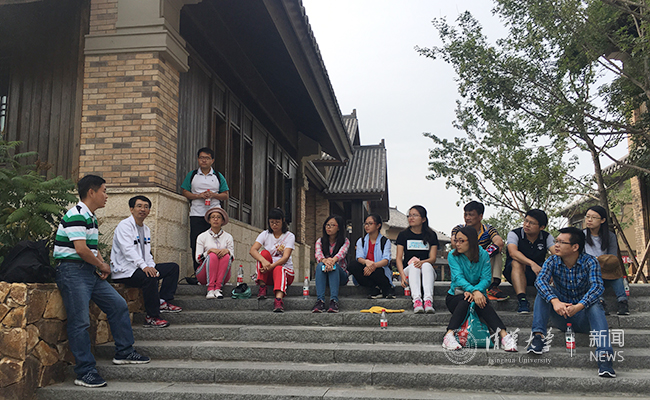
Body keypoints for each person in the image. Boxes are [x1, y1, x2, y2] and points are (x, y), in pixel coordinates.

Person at [53, 175, 149, 388]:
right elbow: (80, 249)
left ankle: (124, 351)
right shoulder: (77, 214)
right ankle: (84, 372)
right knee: (80, 322)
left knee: (118, 305)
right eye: (104, 191)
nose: (106, 196)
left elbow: (91, 249)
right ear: (91, 192)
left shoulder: (91, 216)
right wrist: (101, 265)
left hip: (88, 271)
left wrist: (100, 265)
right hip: (72, 271)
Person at [526, 227, 615, 378]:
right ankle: (538, 337)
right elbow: (540, 281)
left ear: (575, 247)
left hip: (584, 317)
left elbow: (597, 287)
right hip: (562, 315)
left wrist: (579, 306)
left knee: (595, 303)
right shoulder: (552, 260)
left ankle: (604, 357)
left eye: (561, 242)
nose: (556, 245)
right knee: (544, 292)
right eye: (556, 241)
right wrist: (555, 301)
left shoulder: (590, 261)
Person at [111, 196, 182, 329]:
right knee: (149, 277)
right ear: (131, 209)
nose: (143, 209)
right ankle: (152, 317)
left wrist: (151, 267)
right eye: (139, 206)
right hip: (125, 271)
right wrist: (144, 267)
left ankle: (162, 301)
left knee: (172, 268)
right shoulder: (124, 226)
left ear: (149, 211)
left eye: (146, 207)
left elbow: (147, 254)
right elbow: (127, 250)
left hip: (141, 268)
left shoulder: (146, 229)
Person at [442, 226, 518, 352]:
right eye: (456, 241)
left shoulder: (483, 254)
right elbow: (458, 278)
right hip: (456, 296)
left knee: (481, 302)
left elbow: (486, 279)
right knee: (466, 300)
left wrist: (476, 291)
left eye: (461, 241)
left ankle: (505, 337)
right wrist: (474, 291)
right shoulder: (452, 255)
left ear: (471, 241)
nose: (457, 244)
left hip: (479, 298)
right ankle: (449, 335)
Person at [181, 147, 229, 271]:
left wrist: (213, 195)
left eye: (207, 158)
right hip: (196, 213)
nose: (204, 160)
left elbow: (225, 195)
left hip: (214, 213)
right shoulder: (192, 175)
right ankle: (198, 272)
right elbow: (185, 191)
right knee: (195, 242)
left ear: (212, 160)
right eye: (201, 158)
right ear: (198, 159)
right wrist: (198, 196)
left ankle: (214, 271)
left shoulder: (218, 176)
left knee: (215, 242)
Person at [451, 201, 507, 301]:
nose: (467, 218)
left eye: (471, 215)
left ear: (480, 216)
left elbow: (499, 242)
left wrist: (483, 254)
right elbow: (454, 244)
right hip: (466, 263)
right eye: (466, 214)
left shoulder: (488, 229)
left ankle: (492, 287)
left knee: (497, 252)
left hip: (482, 262)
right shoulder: (459, 229)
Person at [503, 209, 556, 314]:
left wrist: (551, 271)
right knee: (517, 262)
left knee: (557, 262)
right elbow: (513, 252)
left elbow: (558, 254)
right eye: (526, 221)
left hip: (537, 273)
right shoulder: (514, 234)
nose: (527, 225)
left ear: (541, 227)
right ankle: (522, 300)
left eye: (531, 223)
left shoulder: (547, 237)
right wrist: (532, 264)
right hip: (515, 273)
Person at [583, 205, 629, 315]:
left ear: (602, 220)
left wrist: (600, 260)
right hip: (589, 268)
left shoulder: (610, 236)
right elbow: (580, 256)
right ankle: (600, 301)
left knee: (617, 272)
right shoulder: (581, 235)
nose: (589, 220)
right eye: (587, 217)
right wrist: (596, 260)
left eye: (594, 217)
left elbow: (612, 257)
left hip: (606, 268)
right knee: (591, 271)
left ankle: (622, 301)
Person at [249, 208, 295, 312]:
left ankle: (278, 300)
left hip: (285, 273)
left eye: (277, 222)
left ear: (283, 221)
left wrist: (271, 266)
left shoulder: (289, 236)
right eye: (272, 222)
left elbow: (285, 257)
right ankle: (262, 287)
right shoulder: (265, 234)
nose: (274, 225)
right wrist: (264, 261)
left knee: (279, 268)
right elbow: (252, 250)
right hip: (268, 273)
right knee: (263, 254)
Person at [396, 205, 439, 313]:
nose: (411, 218)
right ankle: (417, 301)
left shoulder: (431, 235)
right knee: (414, 266)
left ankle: (428, 301)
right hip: (409, 271)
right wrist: (402, 276)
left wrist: (422, 262)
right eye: (409, 215)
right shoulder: (403, 235)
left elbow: (433, 258)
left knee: (426, 265)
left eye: (415, 215)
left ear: (423, 219)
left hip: (426, 271)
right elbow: (398, 258)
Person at [347, 214, 394, 299]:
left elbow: (386, 260)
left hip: (379, 270)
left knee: (378, 270)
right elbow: (359, 257)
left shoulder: (385, 241)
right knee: (353, 265)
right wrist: (366, 262)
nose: (367, 226)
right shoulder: (361, 241)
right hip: (366, 271)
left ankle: (385, 289)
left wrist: (374, 265)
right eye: (366, 224)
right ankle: (374, 288)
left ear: (378, 225)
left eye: (370, 223)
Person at [312, 215, 350, 313]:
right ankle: (320, 301)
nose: (329, 227)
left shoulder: (345, 241)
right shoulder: (320, 241)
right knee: (320, 265)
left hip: (340, 276)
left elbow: (341, 254)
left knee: (334, 266)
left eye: (332, 225)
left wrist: (332, 261)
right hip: (325, 275)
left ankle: (334, 301)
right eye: (327, 225)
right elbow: (318, 255)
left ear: (339, 228)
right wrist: (325, 261)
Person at [195, 206, 234, 299]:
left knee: (226, 256)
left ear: (222, 221)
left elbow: (232, 259)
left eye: (218, 217)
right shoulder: (202, 236)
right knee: (212, 256)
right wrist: (208, 252)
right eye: (213, 217)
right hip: (204, 275)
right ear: (209, 220)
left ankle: (218, 288)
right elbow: (198, 259)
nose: (215, 219)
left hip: (222, 275)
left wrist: (227, 251)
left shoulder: (228, 237)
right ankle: (210, 288)